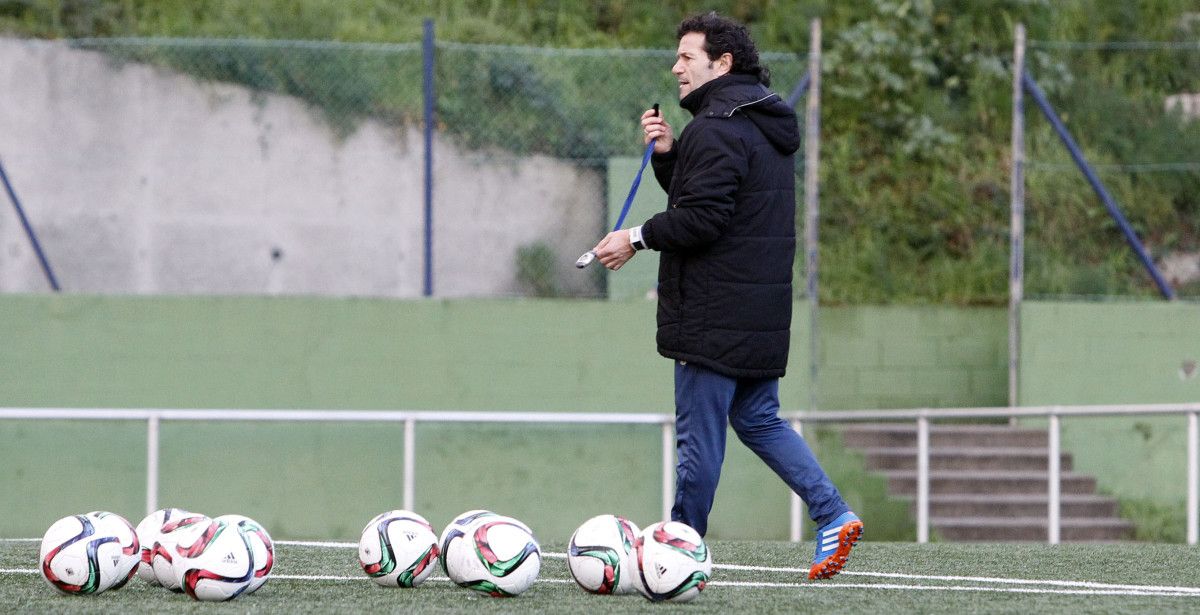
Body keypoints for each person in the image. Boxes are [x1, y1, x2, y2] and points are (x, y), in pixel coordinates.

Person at [590, 11, 862, 580]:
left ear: (722, 63)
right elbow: (712, 199)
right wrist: (668, 155)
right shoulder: (761, 122)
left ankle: (677, 551)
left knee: (699, 438)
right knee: (759, 417)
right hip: (759, 308)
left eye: (687, 57)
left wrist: (635, 238)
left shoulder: (715, 128)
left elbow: (703, 219)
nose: (676, 67)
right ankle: (833, 513)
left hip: (714, 310)